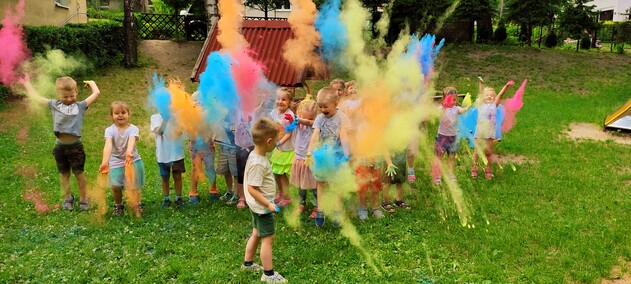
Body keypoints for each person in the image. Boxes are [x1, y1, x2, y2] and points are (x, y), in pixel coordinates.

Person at [19, 77, 101, 211]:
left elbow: (96, 93)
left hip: (76, 147)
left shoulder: (80, 106)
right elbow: (36, 97)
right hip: (60, 147)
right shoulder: (54, 104)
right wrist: (27, 83)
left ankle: (83, 199)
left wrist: (92, 83)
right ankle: (68, 198)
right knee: (64, 174)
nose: (69, 99)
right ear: (58, 95)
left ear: (76, 92)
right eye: (65, 96)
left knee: (79, 174)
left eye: (72, 95)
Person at [241, 117, 287, 283]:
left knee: (256, 234)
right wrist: (268, 204)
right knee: (268, 239)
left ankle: (247, 263)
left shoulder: (255, 154)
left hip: (256, 206)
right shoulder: (259, 163)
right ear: (268, 142)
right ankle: (268, 274)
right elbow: (252, 188)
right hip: (262, 208)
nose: (276, 143)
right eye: (275, 141)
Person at [306, 87, 350, 227]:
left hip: (337, 156)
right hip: (322, 157)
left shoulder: (342, 117)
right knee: (321, 183)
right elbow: (315, 136)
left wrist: (347, 153)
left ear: (336, 103)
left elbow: (344, 136)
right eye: (320, 107)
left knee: (336, 185)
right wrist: (309, 152)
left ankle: (337, 211)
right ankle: (321, 210)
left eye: (325, 106)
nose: (323, 110)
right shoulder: (319, 118)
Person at [99, 101, 145, 216]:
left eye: (123, 112)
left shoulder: (133, 129)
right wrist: (105, 162)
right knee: (115, 186)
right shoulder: (109, 130)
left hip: (132, 160)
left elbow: (131, 141)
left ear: (128, 114)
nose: (120, 115)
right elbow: (108, 145)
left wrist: (129, 153)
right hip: (116, 161)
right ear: (111, 116)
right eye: (116, 113)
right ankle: (119, 205)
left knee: (134, 186)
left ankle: (136, 203)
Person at [472, 78, 514, 179]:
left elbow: (500, 95)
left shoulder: (494, 105)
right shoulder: (481, 104)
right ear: (483, 97)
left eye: (491, 95)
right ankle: (474, 168)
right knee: (477, 151)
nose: (489, 96)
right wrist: (481, 84)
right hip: (480, 132)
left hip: (490, 132)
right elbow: (481, 92)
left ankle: (488, 169)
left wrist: (506, 86)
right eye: (487, 95)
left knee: (488, 152)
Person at [289, 94, 318, 218]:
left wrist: (301, 119)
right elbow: (291, 125)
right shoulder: (298, 122)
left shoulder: (315, 124)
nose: (306, 119)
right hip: (299, 156)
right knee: (301, 184)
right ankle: (302, 203)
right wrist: (291, 121)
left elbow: (310, 123)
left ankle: (318, 206)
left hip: (310, 158)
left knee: (314, 185)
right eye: (302, 116)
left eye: (310, 117)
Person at [432, 87, 469, 185]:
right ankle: (437, 176)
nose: (452, 101)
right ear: (444, 98)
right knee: (439, 157)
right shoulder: (441, 108)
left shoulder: (456, 109)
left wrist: (467, 107)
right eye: (450, 99)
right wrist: (445, 106)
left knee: (452, 157)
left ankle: (451, 175)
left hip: (453, 137)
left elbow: (462, 111)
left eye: (454, 99)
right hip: (442, 137)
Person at [151, 113, 186, 208]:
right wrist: (166, 120)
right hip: (163, 155)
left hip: (177, 154)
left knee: (177, 176)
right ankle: (166, 199)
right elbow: (159, 131)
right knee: (165, 178)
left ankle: (178, 198)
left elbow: (180, 132)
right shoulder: (155, 117)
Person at [269, 87, 295, 207]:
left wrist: (279, 143)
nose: (280, 101)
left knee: (282, 172)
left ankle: (287, 197)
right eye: (278, 99)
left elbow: (289, 133)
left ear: (289, 102)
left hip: (286, 148)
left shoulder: (289, 116)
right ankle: (280, 192)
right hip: (277, 148)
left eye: (283, 99)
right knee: (276, 172)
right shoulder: (275, 112)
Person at [214, 114, 238, 202]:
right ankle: (229, 191)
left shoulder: (235, 114)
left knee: (235, 172)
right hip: (223, 147)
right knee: (225, 171)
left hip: (233, 148)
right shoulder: (220, 112)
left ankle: (237, 194)